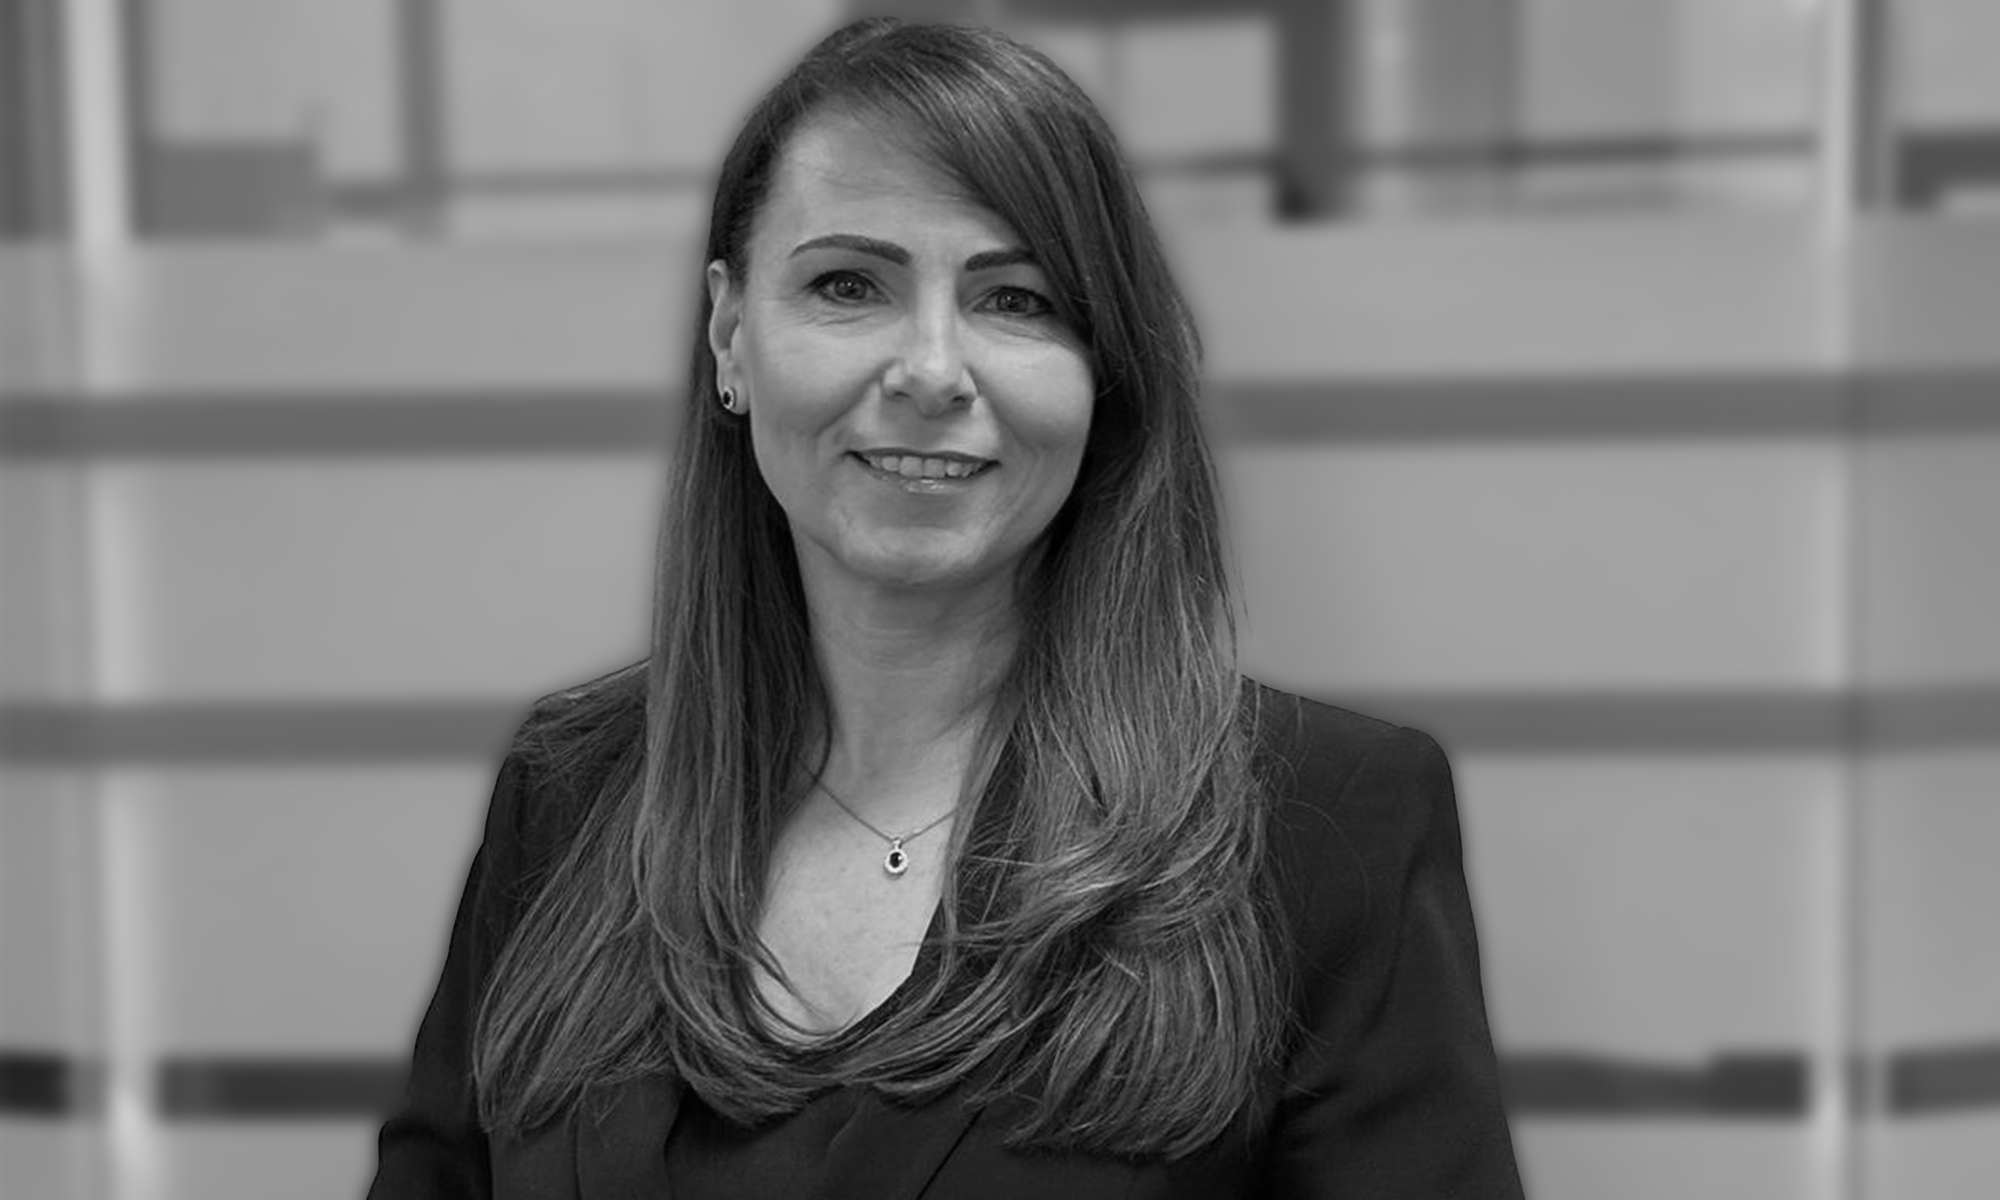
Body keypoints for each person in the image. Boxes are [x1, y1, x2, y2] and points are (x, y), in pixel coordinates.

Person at [367, 17, 1522, 1199]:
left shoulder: (1325, 832)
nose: (929, 370)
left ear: (1101, 366)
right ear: (729, 334)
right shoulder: (568, 796)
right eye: (847, 285)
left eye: (1013, 300)